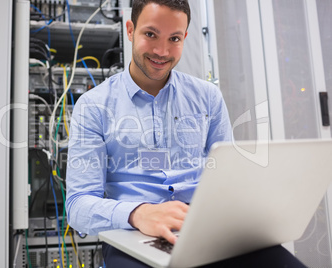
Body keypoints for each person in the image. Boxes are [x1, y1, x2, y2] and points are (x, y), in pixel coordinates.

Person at [65, 0, 305, 267]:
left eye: (174, 38)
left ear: (185, 38)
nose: (161, 50)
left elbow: (228, 181)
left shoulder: (207, 97)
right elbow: (78, 205)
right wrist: (137, 213)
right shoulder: (94, 106)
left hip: (206, 229)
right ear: (130, 30)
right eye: (151, 34)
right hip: (134, 234)